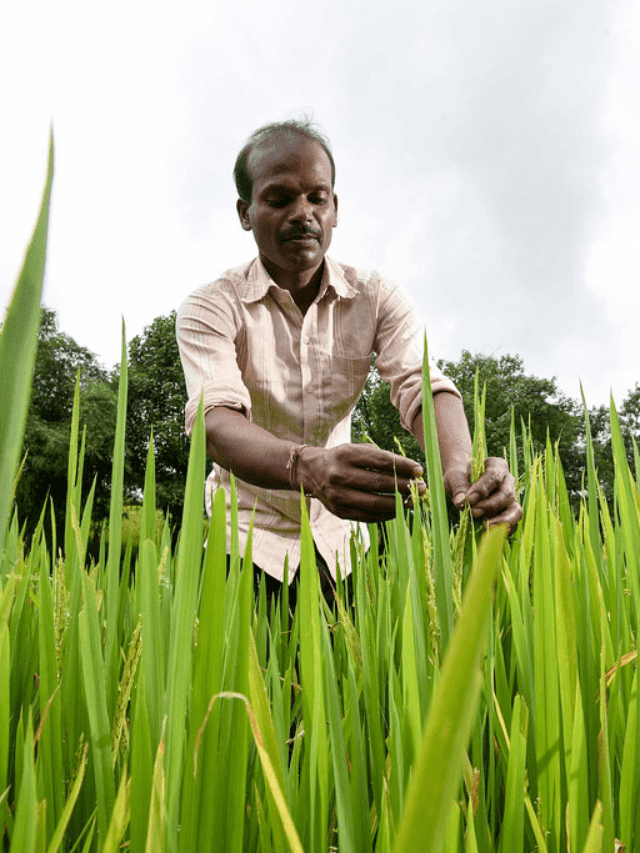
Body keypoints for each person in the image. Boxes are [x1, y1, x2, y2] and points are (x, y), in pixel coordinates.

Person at [176, 119, 522, 602]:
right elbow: (214, 420)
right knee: (240, 676)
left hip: (341, 543)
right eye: (279, 199)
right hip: (243, 543)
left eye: (318, 197)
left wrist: (458, 471)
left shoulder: (375, 296)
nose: (304, 214)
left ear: (335, 208)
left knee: (350, 670)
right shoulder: (212, 306)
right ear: (246, 213)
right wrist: (307, 468)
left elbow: (422, 387)